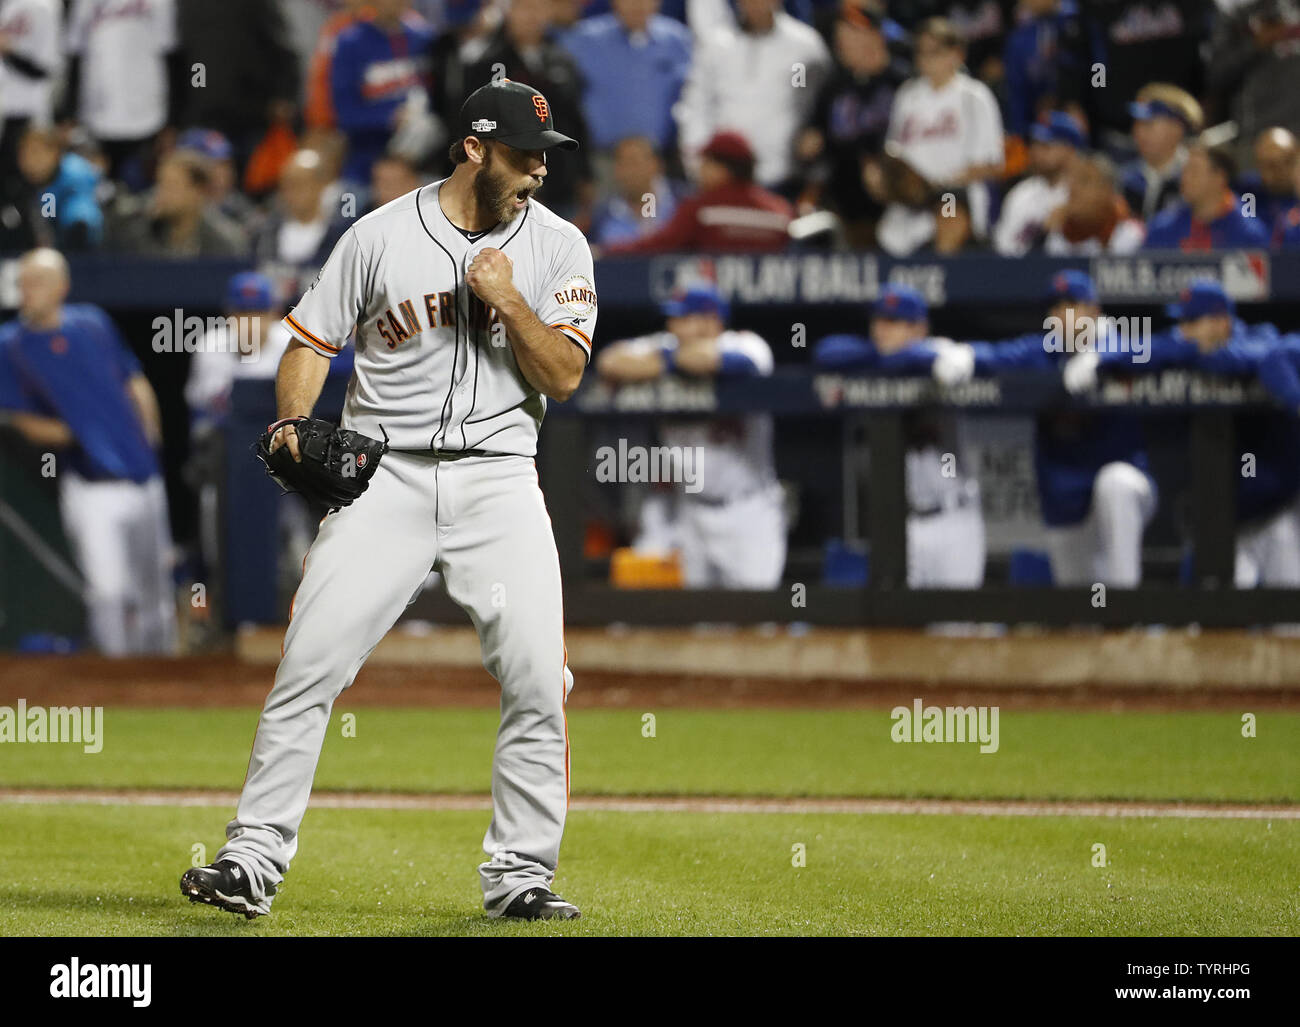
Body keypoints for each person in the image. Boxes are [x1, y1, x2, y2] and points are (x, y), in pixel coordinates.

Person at [181, 80, 592, 923]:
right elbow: (308, 339)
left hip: (499, 479)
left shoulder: (558, 247)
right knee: (308, 663)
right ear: (474, 149)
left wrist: (509, 299)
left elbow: (565, 374)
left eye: (546, 158)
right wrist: (296, 419)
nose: (537, 173)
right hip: (387, 475)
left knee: (536, 679)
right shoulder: (377, 235)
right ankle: (251, 858)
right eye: (521, 156)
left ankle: (520, 873)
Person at [1064, 279, 1300, 587]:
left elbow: (1240, 358)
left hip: (1276, 512)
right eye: (1181, 322)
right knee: (1223, 620)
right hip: (1228, 520)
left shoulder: (1262, 339)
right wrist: (1102, 356)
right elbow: (1151, 346)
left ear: (1221, 321)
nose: (1183, 331)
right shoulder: (1182, 346)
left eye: (1191, 321)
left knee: (1289, 620)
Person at [0, 248, 175, 655]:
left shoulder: (93, 322)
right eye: (21, 283)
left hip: (145, 477)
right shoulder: (11, 345)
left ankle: (163, 685)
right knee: (109, 592)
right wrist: (79, 433)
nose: (26, 291)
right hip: (89, 484)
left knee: (156, 595)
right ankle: (117, 685)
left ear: (61, 287)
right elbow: (15, 417)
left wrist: (148, 436)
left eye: (36, 282)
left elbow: (134, 380)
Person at [935, 271, 1155, 586]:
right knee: (1080, 611)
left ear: (1094, 310)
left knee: (1115, 484)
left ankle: (1126, 605)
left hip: (1126, 493)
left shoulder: (1122, 342)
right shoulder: (1044, 351)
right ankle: (1100, 619)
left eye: (1072, 306)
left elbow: (1150, 347)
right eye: (1055, 308)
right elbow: (998, 356)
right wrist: (964, 355)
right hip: (1065, 500)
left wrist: (1100, 356)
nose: (1062, 316)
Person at [595, 283, 787, 588]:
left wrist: (664, 362)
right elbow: (609, 361)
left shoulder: (747, 344)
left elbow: (718, 361)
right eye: (674, 318)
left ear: (712, 321)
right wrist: (672, 359)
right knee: (697, 624)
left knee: (758, 622)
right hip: (690, 512)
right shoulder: (667, 343)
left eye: (684, 318)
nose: (674, 326)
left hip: (747, 511)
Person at [813, 284, 985, 588]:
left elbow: (928, 355)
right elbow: (826, 351)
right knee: (899, 626)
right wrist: (880, 356)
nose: (882, 331)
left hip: (953, 517)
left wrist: (883, 358)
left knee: (956, 627)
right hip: (903, 524)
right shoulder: (873, 360)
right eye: (878, 322)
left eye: (893, 323)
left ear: (919, 328)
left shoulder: (943, 355)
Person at [674, 0, 831, 192]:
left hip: (784, 177)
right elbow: (696, 107)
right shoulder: (717, 46)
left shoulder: (803, 47)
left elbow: (816, 103)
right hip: (724, 176)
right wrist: (696, 164)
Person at [797, 0, 908, 244]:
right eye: (839, 34)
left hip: (898, 199)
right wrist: (809, 143)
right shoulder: (834, 86)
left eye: (849, 33)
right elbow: (816, 137)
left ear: (874, 37)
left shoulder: (902, 83)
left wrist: (879, 162)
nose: (840, 42)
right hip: (844, 202)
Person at [885, 17, 1004, 237]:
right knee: (887, 232)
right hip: (913, 199)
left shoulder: (974, 96)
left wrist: (939, 184)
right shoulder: (907, 95)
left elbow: (992, 164)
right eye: (921, 52)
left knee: (948, 214)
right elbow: (894, 153)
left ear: (956, 54)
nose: (926, 59)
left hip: (954, 194)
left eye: (934, 51)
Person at [598, 130, 792, 254]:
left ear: (723, 168)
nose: (699, 171)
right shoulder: (780, 211)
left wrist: (607, 251)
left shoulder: (701, 208)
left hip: (708, 311)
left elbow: (659, 246)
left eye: (706, 163)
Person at [63, 0, 181, 189]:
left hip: (146, 114)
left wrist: (173, 120)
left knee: (139, 190)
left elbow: (171, 56)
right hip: (96, 114)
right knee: (94, 189)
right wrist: (68, 114)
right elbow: (75, 56)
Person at [558, 0, 693, 155]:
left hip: (661, 157)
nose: (637, 5)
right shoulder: (584, 39)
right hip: (602, 157)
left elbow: (691, 94)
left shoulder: (676, 39)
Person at [330, 0, 435, 187]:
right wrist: (389, 118)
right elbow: (345, 115)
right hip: (367, 165)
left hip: (423, 163)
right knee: (351, 206)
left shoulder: (425, 37)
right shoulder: (351, 42)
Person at [107, 150, 250, 257]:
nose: (161, 194)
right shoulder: (143, 233)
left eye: (171, 186)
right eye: (160, 184)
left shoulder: (225, 242)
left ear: (198, 191)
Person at [1001, 0, 1105, 143]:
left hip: (1083, 116)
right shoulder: (1018, 36)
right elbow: (1016, 89)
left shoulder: (1082, 20)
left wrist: (1094, 103)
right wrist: (1020, 133)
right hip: (1037, 123)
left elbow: (1099, 66)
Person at [253, 149, 351, 293]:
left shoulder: (341, 236)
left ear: (321, 185)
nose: (291, 191)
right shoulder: (265, 233)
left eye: (300, 183)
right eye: (286, 184)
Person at [1143, 143, 1271, 251]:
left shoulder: (1249, 235)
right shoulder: (1162, 228)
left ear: (1219, 178)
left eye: (1194, 172)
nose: (1184, 178)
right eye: (1184, 171)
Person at [993, 110, 1085, 256]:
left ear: (1069, 149)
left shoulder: (1089, 193)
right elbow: (1006, 252)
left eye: (1046, 146)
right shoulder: (1021, 194)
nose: (1036, 152)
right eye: (1034, 145)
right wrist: (1041, 233)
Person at [1118, 84, 1203, 222]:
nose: (1138, 132)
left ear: (1177, 128)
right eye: (1136, 123)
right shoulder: (1124, 178)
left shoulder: (1197, 178)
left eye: (1148, 123)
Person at [1044, 152, 1144, 254]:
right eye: (1071, 181)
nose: (1073, 189)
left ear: (1107, 191)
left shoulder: (1131, 234)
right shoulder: (1058, 231)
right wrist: (1043, 235)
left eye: (1084, 181)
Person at [588, 135, 680, 246]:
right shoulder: (601, 215)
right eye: (622, 164)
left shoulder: (682, 201)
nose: (628, 172)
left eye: (634, 162)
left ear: (656, 165)